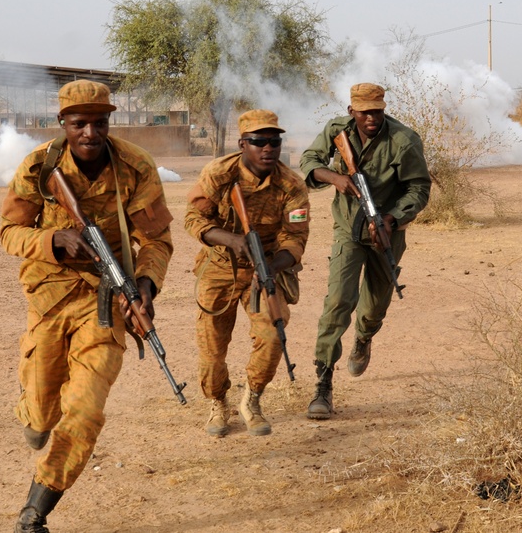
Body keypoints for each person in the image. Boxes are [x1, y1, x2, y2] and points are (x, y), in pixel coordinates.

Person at [0, 80, 174, 533]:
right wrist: (52, 240)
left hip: (108, 301)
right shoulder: (40, 166)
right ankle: (34, 415)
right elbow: (9, 233)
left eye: (100, 123)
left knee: (85, 410)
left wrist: (146, 286)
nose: (91, 133)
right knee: (41, 413)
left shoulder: (135, 166)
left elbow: (155, 240)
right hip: (50, 298)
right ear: (63, 124)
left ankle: (35, 511)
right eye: (80, 123)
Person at [298, 83, 431, 420]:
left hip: (386, 233)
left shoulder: (404, 140)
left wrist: (392, 218)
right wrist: (335, 178)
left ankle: (364, 337)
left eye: (377, 110)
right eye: (365, 111)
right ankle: (323, 384)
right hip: (347, 229)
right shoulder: (337, 131)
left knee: (374, 305)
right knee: (339, 301)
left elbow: (419, 187)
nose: (372, 117)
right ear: (351, 111)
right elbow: (309, 160)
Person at [185, 109, 310, 437]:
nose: (268, 148)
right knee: (212, 349)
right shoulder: (218, 173)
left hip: (264, 269)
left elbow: (295, 237)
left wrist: (274, 265)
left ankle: (252, 399)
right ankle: (218, 401)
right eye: (259, 141)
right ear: (243, 144)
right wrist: (229, 239)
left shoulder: (291, 185)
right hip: (219, 269)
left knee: (272, 335)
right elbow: (193, 219)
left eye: (275, 141)